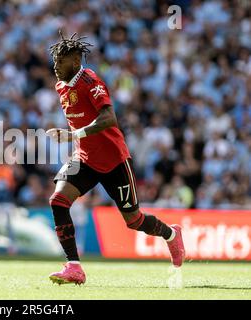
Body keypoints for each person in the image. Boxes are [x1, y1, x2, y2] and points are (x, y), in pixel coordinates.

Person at [45, 31, 185, 285]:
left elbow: (110, 118)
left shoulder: (89, 80)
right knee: (58, 200)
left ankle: (171, 234)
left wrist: (74, 133)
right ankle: (74, 266)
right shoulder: (60, 86)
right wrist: (75, 138)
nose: (55, 66)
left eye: (60, 61)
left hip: (114, 161)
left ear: (76, 61)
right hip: (85, 158)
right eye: (54, 61)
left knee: (134, 220)